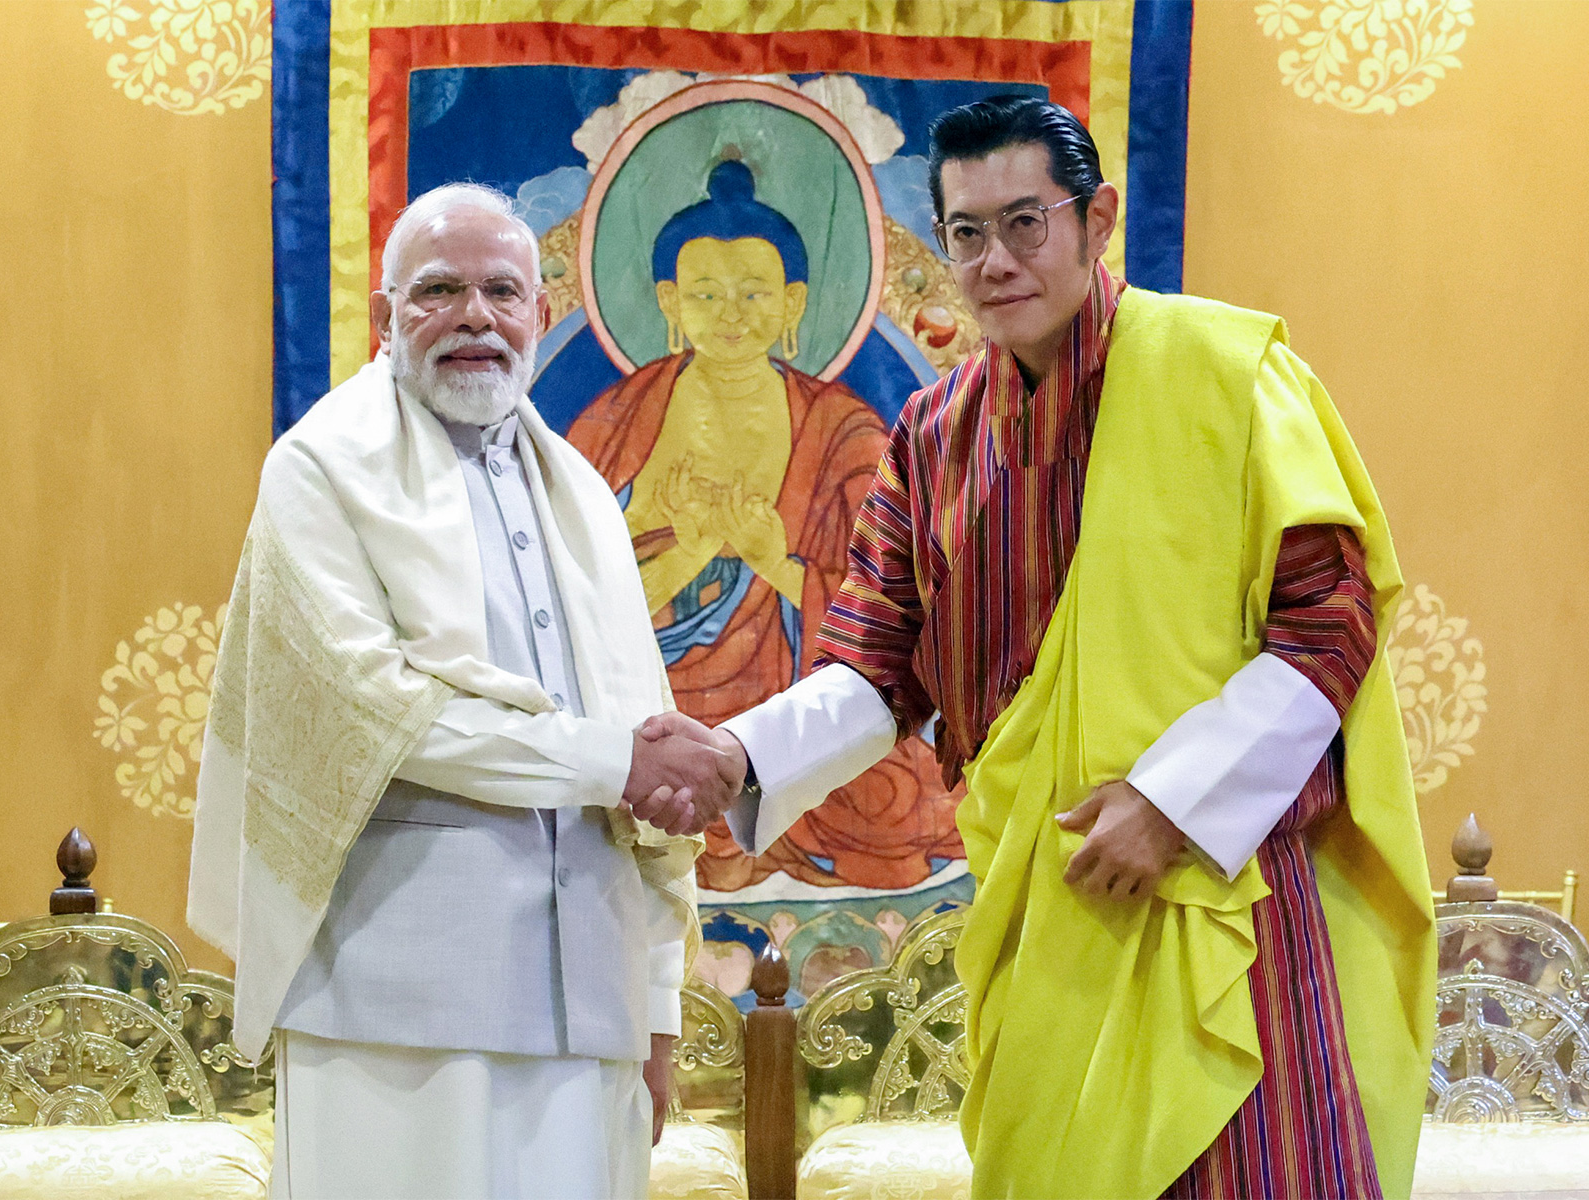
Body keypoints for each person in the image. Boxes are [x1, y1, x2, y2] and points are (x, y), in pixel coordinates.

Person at [643, 97, 1437, 1198]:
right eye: (966, 232)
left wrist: (1171, 804)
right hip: (1052, 902)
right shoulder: (934, 437)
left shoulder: (1224, 374)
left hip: (1222, 899)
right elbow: (876, 661)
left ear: (1095, 220)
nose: (995, 260)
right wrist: (739, 756)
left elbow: (1329, 620)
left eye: (1026, 222)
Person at [187, 182, 740, 1200]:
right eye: (439, 291)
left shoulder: (581, 493)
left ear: (541, 313)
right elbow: (382, 715)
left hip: (593, 1008)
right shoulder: (320, 470)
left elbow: (641, 744)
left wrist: (657, 1011)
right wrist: (615, 763)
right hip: (392, 1011)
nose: (475, 317)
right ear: (384, 315)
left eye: (502, 292)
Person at [568, 158, 963, 893]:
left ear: (793, 303)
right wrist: (687, 557)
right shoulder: (616, 422)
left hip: (790, 704)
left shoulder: (844, 429)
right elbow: (567, 603)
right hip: (643, 705)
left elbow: (891, 622)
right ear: (668, 300)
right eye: (705, 294)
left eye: (753, 293)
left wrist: (773, 561)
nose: (731, 314)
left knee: (899, 800)